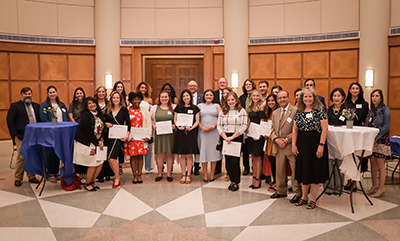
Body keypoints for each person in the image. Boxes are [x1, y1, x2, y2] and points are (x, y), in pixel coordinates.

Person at [292, 88, 329, 209]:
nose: (307, 99)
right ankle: (304, 196)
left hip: (316, 143)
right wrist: (293, 144)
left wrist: (321, 145)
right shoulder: (299, 110)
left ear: (314, 97)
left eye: (310, 96)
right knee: (304, 170)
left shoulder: (320, 110)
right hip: (302, 144)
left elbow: (325, 129)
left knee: (314, 171)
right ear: (302, 98)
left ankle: (313, 198)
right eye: (305, 97)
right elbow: (294, 129)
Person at [270, 90, 301, 203]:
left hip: (290, 145)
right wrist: (276, 139)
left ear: (288, 98)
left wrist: (287, 139)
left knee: (294, 170)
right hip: (278, 146)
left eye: (284, 97)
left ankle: (298, 193)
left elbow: (297, 129)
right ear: (277, 100)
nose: (282, 100)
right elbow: (272, 129)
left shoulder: (295, 111)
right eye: (280, 98)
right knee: (280, 170)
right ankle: (281, 191)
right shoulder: (275, 112)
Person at [7, 87, 41, 186]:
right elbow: (10, 121)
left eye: (29, 94)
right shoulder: (15, 106)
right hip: (21, 136)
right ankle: (18, 178)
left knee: (32, 156)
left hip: (34, 136)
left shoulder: (36, 106)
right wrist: (14, 135)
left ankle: (31, 176)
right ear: (21, 95)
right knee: (21, 156)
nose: (28, 96)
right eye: (25, 94)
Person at [73, 97, 106, 191]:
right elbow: (87, 132)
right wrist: (97, 143)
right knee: (93, 163)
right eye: (89, 103)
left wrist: (102, 139)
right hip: (88, 142)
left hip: (97, 142)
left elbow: (103, 129)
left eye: (93, 103)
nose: (92, 105)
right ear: (86, 106)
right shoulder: (85, 115)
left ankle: (92, 181)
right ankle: (87, 183)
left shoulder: (98, 114)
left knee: (100, 162)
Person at [217, 92, 248, 192]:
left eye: (232, 100)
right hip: (225, 137)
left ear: (236, 100)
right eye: (229, 100)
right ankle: (232, 181)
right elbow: (219, 125)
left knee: (235, 162)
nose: (230, 102)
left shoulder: (241, 111)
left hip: (236, 137)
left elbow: (243, 125)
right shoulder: (223, 111)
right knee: (228, 162)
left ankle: (237, 182)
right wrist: (225, 137)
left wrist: (232, 137)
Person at [40, 86, 69, 183]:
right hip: (50, 133)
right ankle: (50, 173)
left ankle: (56, 172)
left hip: (61, 132)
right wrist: (52, 127)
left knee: (58, 152)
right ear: (48, 94)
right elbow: (43, 118)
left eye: (53, 92)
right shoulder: (45, 105)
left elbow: (65, 117)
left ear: (56, 93)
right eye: (50, 92)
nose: (52, 94)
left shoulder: (61, 104)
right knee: (50, 152)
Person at [343, 82, 369, 190]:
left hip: (359, 132)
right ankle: (349, 179)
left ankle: (355, 181)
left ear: (359, 90)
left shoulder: (364, 103)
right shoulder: (346, 103)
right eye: (352, 88)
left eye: (356, 88)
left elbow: (365, 118)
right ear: (349, 90)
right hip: (348, 132)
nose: (354, 90)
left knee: (358, 156)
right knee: (349, 155)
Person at [366, 89, 391, 198]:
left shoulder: (385, 110)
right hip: (372, 140)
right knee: (373, 164)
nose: (374, 98)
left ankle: (381, 188)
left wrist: (377, 137)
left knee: (381, 165)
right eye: (373, 96)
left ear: (381, 97)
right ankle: (374, 185)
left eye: (377, 96)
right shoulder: (371, 111)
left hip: (381, 139)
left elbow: (386, 126)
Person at [172, 89, 200, 184]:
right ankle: (183, 174)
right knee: (182, 155)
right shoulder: (178, 108)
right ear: (181, 98)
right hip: (180, 133)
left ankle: (188, 175)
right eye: (184, 96)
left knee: (189, 154)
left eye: (187, 96)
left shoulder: (195, 108)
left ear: (190, 97)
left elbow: (197, 121)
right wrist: (178, 126)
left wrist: (191, 128)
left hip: (191, 133)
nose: (186, 98)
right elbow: (175, 119)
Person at [104, 91, 130, 188]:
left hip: (120, 137)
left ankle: (117, 177)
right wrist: (106, 124)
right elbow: (103, 120)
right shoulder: (108, 109)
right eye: (114, 98)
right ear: (111, 99)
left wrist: (127, 134)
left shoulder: (124, 109)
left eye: (117, 98)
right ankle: (117, 175)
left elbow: (128, 123)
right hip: (110, 136)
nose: (115, 99)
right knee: (110, 159)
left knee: (112, 158)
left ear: (120, 99)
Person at [124, 92, 152, 184]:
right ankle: (134, 175)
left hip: (142, 138)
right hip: (132, 138)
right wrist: (127, 137)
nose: (137, 101)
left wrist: (148, 136)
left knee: (140, 156)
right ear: (131, 100)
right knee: (133, 157)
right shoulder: (126, 110)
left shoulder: (144, 110)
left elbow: (149, 124)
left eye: (139, 99)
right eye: (135, 99)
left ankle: (139, 175)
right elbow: (124, 124)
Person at [196, 90, 222, 182]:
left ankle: (212, 174)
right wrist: (202, 127)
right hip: (202, 132)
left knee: (213, 152)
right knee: (204, 152)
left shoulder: (217, 106)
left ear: (213, 97)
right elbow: (196, 119)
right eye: (207, 95)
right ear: (204, 96)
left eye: (211, 95)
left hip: (214, 132)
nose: (209, 96)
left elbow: (220, 118)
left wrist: (212, 127)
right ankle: (205, 175)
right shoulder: (199, 106)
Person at [151, 90, 176, 182]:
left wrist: (175, 125)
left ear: (169, 98)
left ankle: (169, 174)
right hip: (159, 135)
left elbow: (177, 120)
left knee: (170, 154)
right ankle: (159, 173)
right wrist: (153, 125)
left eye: (166, 97)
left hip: (170, 135)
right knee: (160, 154)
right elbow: (151, 120)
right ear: (159, 98)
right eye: (162, 97)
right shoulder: (155, 108)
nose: (164, 98)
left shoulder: (173, 107)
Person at [324, 88, 346, 194]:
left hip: (341, 140)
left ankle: (338, 186)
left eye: (338, 96)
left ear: (343, 97)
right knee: (328, 163)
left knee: (339, 162)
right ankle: (329, 186)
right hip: (329, 138)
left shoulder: (346, 109)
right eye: (334, 96)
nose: (336, 98)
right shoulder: (329, 109)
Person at [247, 89, 266, 189]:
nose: (255, 97)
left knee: (258, 157)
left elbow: (262, 121)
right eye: (253, 96)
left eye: (257, 96)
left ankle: (258, 179)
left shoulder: (262, 106)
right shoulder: (251, 106)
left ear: (260, 96)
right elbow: (250, 119)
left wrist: (258, 135)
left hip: (258, 136)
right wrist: (247, 130)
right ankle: (254, 178)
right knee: (253, 157)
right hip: (251, 135)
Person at [94, 86, 113, 182]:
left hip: (109, 131)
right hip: (98, 130)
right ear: (97, 93)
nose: (101, 93)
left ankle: (108, 173)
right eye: (99, 92)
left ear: (105, 93)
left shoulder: (109, 103)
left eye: (103, 92)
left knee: (108, 151)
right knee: (100, 151)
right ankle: (100, 174)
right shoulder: (94, 103)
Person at [68, 87, 88, 178]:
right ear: (75, 95)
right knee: (78, 151)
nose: (79, 95)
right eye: (77, 93)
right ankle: (79, 172)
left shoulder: (87, 103)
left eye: (81, 93)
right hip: (76, 129)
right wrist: (75, 124)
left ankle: (86, 171)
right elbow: (70, 116)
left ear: (83, 94)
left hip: (86, 129)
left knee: (86, 151)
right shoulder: (72, 104)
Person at [239, 79, 257, 175]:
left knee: (253, 147)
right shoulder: (241, 97)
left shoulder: (256, 97)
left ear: (253, 85)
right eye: (246, 84)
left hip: (254, 124)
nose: (248, 86)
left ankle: (255, 167)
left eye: (250, 84)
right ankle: (246, 167)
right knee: (245, 148)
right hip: (243, 124)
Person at [136, 82, 154, 174]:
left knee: (147, 146)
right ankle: (136, 168)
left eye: (145, 88)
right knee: (136, 146)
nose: (143, 89)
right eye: (142, 87)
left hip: (146, 123)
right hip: (136, 124)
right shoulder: (134, 98)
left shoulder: (149, 100)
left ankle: (147, 167)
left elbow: (151, 113)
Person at [262, 94, 279, 189]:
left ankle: (278, 182)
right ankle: (274, 180)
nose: (271, 102)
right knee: (272, 161)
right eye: (269, 101)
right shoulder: (268, 112)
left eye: (273, 100)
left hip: (275, 140)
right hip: (269, 141)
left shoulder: (278, 112)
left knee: (277, 162)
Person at [112, 81, 128, 175]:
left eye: (121, 87)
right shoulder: (111, 100)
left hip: (122, 127)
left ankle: (120, 166)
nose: (119, 88)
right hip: (113, 129)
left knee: (121, 149)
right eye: (118, 87)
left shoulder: (126, 98)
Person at [188, 80, 203, 176]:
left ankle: (197, 166)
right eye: (190, 85)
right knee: (189, 147)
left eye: (194, 85)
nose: (192, 87)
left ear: (197, 87)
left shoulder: (201, 97)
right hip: (187, 126)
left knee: (198, 146)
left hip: (199, 125)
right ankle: (188, 167)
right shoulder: (184, 97)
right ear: (188, 87)